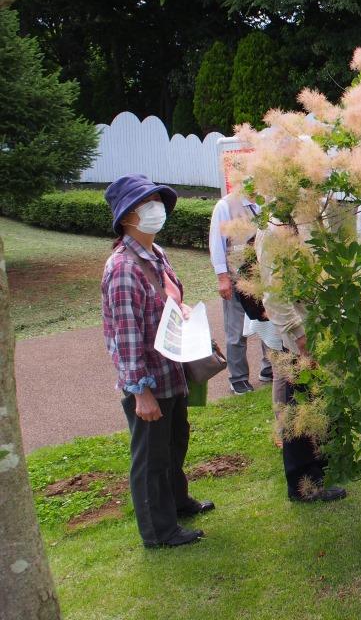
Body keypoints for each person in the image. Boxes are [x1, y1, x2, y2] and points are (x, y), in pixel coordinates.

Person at [101, 174, 214, 547]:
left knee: (175, 443)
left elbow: (166, 300)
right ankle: (159, 531)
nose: (156, 210)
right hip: (148, 380)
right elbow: (126, 333)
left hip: (172, 370)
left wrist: (183, 310)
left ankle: (178, 503)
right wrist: (140, 392)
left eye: (156, 201)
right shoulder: (122, 268)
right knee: (151, 458)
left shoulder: (156, 254)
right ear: (127, 217)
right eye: (145, 204)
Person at [255, 218, 347, 503]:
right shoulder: (273, 229)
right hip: (300, 334)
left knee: (317, 402)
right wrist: (299, 334)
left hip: (319, 327)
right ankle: (302, 484)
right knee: (300, 407)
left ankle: (320, 471)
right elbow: (274, 295)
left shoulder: (307, 218)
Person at [209, 192, 272, 394]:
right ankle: (238, 378)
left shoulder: (266, 200)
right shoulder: (226, 205)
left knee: (267, 321)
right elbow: (216, 243)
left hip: (263, 276)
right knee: (235, 329)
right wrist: (222, 277)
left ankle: (269, 367)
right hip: (237, 276)